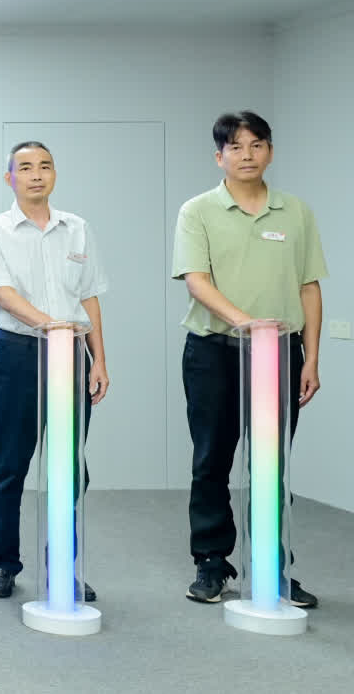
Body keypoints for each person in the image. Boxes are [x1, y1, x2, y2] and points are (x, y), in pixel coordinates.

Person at [173, 111, 325, 607]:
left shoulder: (295, 212)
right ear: (219, 156)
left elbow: (309, 287)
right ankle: (211, 562)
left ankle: (273, 568)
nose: (247, 155)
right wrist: (249, 323)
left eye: (256, 145)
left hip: (280, 354)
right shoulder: (198, 210)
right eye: (235, 147)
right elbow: (196, 280)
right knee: (211, 460)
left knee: (270, 464)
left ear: (270, 152)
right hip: (213, 351)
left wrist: (311, 358)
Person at [0, 141, 108, 600]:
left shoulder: (78, 229)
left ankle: (63, 568)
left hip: (73, 354)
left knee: (69, 468)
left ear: (54, 174)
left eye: (45, 166)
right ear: (9, 178)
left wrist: (99, 359)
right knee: (10, 465)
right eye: (25, 167)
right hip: (19, 354)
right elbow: (3, 293)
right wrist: (52, 326)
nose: (36, 174)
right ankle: (3, 563)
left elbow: (89, 297)